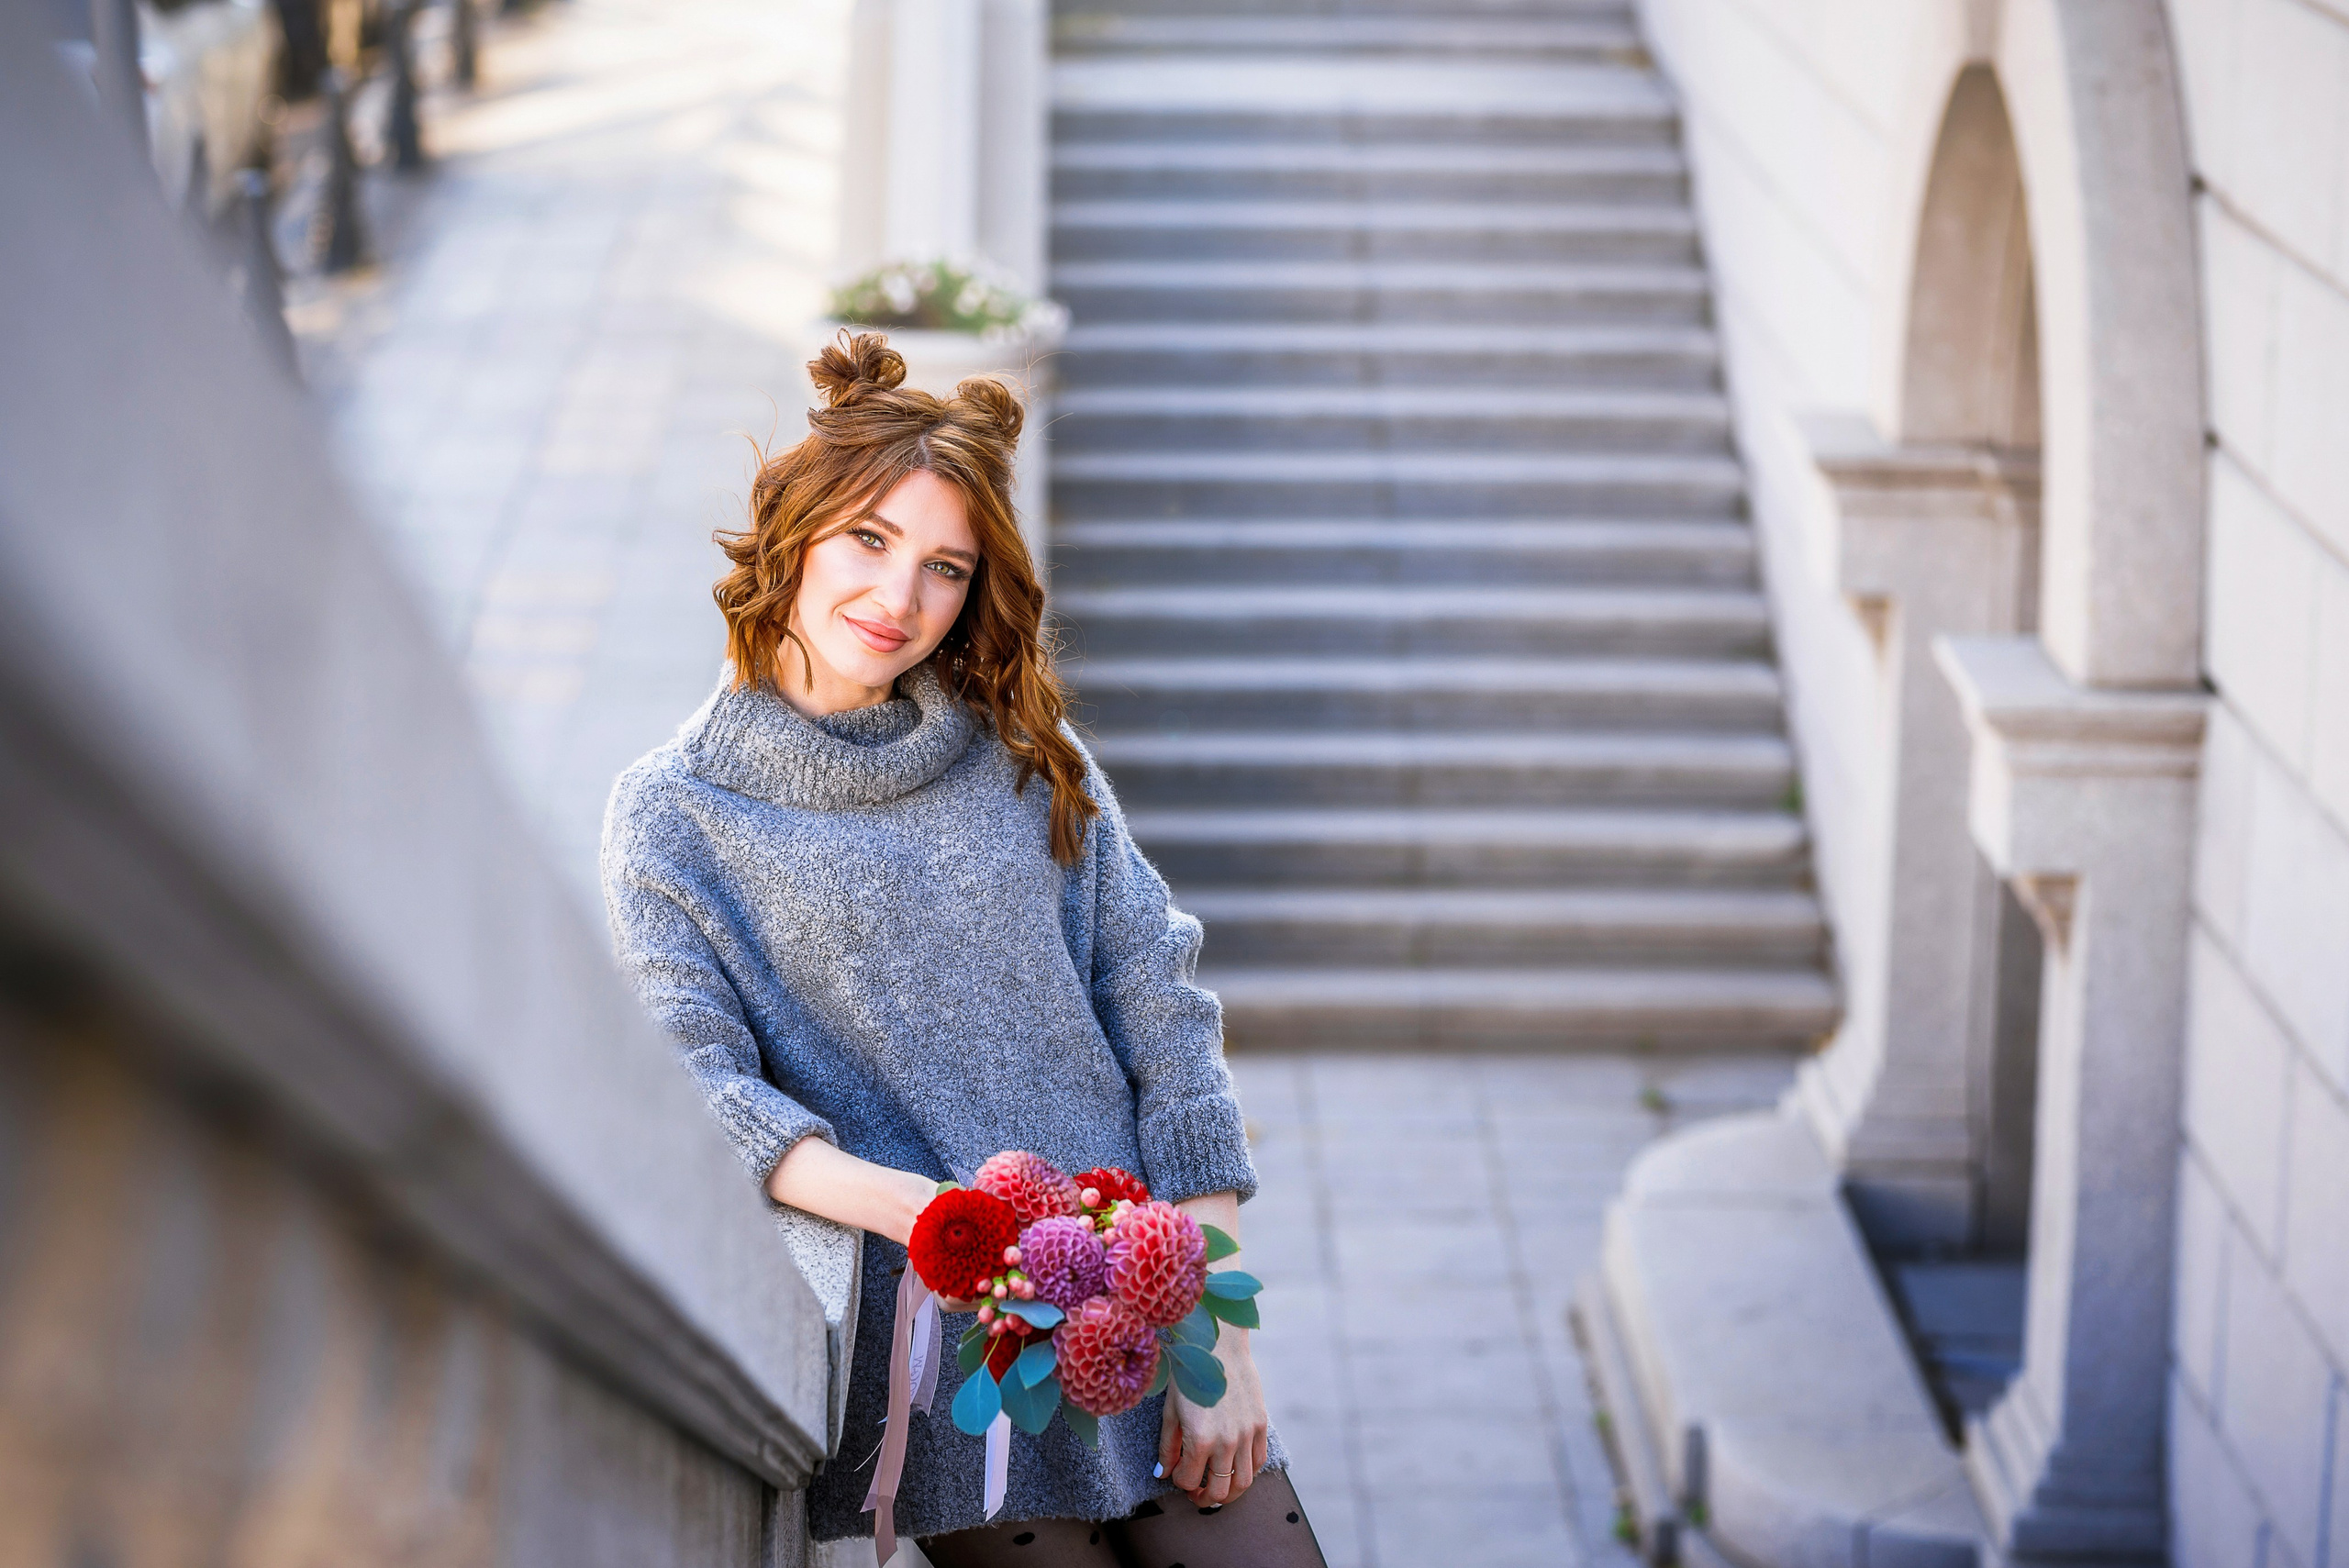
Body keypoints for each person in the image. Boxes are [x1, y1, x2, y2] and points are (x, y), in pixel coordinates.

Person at [601, 332, 1328, 1567]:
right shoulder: (674, 814)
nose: (901, 599)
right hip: (952, 1372)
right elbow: (697, 1086)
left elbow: (1164, 1014)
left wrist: (1220, 1335)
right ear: (794, 532)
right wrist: (928, 1214)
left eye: (946, 568)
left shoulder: (1020, 751)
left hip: (1142, 1315)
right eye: (870, 542)